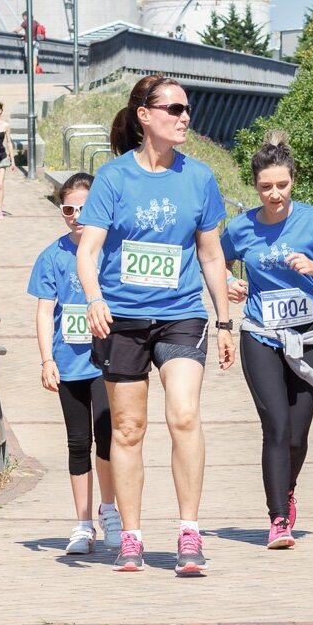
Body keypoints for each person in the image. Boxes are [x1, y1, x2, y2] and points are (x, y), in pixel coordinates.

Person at [75, 74, 235, 576]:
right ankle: (132, 536)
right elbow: (89, 250)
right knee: (127, 428)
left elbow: (211, 257)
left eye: (188, 109)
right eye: (174, 108)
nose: (184, 116)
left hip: (181, 315)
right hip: (121, 317)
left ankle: (189, 531)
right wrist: (94, 298)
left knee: (184, 415)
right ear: (145, 115)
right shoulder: (114, 178)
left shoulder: (200, 178)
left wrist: (225, 322)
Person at [221, 130, 313, 549]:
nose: (274, 194)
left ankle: (288, 488)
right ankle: (278, 518)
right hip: (260, 335)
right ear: (254, 186)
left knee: (296, 436)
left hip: (309, 338)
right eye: (265, 187)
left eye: (282, 185)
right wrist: (229, 283)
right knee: (275, 427)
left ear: (293, 180)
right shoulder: (240, 227)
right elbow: (212, 263)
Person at [29, 172, 121, 554]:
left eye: (84, 207)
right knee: (78, 443)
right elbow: (44, 311)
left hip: (107, 361)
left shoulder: (113, 248)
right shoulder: (51, 256)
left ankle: (111, 512)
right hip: (69, 364)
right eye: (69, 208)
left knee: (109, 441)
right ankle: (83, 524)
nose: (77, 215)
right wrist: (46, 360)